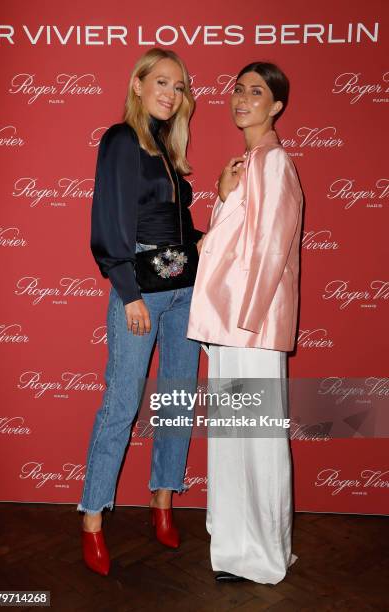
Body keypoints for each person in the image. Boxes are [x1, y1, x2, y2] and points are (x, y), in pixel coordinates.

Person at [78, 48, 203, 576]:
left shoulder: (169, 152)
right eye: (161, 82)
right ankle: (91, 520)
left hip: (186, 294)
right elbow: (109, 221)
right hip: (143, 294)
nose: (170, 94)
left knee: (177, 399)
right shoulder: (121, 140)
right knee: (122, 403)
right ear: (137, 84)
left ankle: (163, 502)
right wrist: (127, 293)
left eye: (178, 86)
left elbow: (173, 230)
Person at [187, 62, 303, 584]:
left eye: (256, 92)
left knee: (257, 439)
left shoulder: (276, 162)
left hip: (250, 325)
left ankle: (264, 553)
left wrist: (247, 321)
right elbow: (225, 245)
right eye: (237, 89)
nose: (242, 99)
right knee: (234, 439)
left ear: (276, 105)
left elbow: (271, 249)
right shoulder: (246, 163)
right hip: (230, 324)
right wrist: (221, 192)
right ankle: (235, 547)